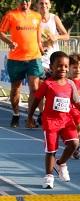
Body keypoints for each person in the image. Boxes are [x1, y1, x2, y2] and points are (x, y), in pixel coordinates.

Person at [27, 51, 80, 189]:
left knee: (74, 144)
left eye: (65, 66)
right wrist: (30, 116)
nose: (63, 69)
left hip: (66, 121)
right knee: (51, 150)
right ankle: (49, 176)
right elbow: (36, 100)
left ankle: (61, 163)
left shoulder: (70, 84)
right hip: (51, 122)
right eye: (59, 66)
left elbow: (76, 101)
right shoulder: (47, 84)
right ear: (51, 67)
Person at [0, 0, 44, 128]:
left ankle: (30, 118)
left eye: (28, 0)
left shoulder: (37, 16)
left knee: (35, 89)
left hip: (34, 58)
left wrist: (41, 48)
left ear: (31, 2)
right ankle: (16, 114)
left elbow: (38, 36)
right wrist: (9, 42)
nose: (25, 2)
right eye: (22, 0)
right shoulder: (11, 15)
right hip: (16, 59)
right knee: (15, 89)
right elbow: (1, 32)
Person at [36, 0, 69, 127]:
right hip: (40, 58)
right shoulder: (34, 19)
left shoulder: (54, 18)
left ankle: (56, 113)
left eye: (46, 3)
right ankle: (41, 113)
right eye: (41, 3)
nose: (43, 6)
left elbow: (66, 35)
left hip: (55, 59)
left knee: (56, 88)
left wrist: (57, 37)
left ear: (50, 5)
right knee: (40, 87)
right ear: (37, 5)